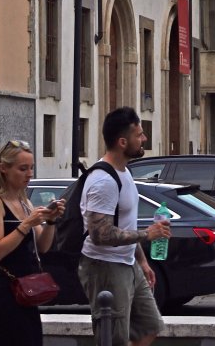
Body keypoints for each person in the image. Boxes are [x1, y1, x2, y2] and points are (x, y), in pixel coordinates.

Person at [79, 107, 169, 346]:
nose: (144, 139)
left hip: (127, 262)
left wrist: (141, 260)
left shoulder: (124, 173)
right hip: (105, 266)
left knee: (150, 326)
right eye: (139, 135)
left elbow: (124, 222)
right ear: (122, 142)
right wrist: (146, 235)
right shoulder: (102, 181)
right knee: (114, 338)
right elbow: (100, 234)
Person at [0, 139, 64, 345]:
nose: (29, 174)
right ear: (3, 168)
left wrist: (50, 221)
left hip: (24, 291)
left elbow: (43, 246)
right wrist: (26, 224)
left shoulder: (25, 202)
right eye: (23, 168)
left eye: (31, 168)